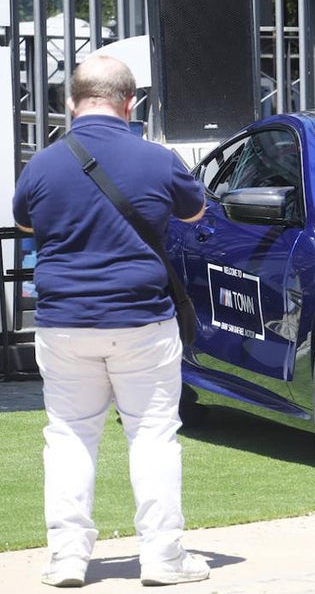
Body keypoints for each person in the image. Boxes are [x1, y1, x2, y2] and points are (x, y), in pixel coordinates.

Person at [12, 56, 209, 588]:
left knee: (71, 435)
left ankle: (68, 558)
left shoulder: (43, 164)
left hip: (64, 322)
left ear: (71, 103)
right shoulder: (157, 158)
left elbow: (25, 220)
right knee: (152, 435)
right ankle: (164, 557)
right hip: (143, 320)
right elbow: (195, 213)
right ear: (130, 104)